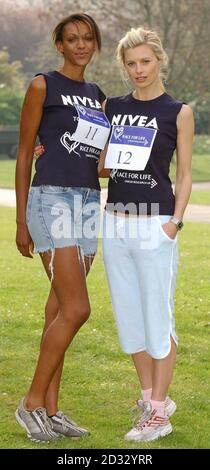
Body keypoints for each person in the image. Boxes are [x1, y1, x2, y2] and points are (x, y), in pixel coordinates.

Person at [15, 13, 109, 442]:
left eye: (88, 38)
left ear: (96, 44)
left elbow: (100, 161)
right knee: (77, 308)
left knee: (58, 310)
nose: (81, 45)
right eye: (72, 39)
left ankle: (52, 412)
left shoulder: (97, 95)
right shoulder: (42, 85)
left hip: (89, 201)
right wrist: (21, 219)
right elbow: (22, 154)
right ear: (60, 44)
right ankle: (31, 403)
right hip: (51, 199)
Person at [100, 26, 194, 442]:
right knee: (129, 319)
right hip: (115, 221)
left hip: (155, 223)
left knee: (158, 318)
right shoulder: (113, 107)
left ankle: (159, 414)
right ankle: (149, 399)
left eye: (145, 62)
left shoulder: (179, 111)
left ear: (159, 61)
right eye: (131, 63)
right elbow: (101, 164)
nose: (139, 70)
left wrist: (174, 223)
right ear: (124, 66)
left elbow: (186, 174)